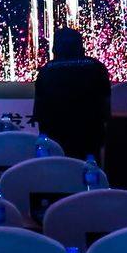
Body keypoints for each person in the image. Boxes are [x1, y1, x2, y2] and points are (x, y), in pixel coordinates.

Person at [33, 28, 111, 159]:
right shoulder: (97, 67)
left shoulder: (46, 70)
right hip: (90, 139)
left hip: (56, 140)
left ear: (55, 48)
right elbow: (106, 108)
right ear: (81, 46)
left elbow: (39, 112)